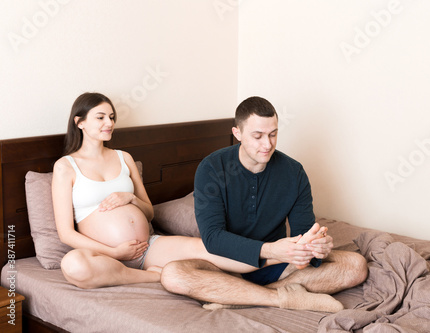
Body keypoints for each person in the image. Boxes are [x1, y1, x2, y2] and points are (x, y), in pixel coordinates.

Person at [160, 96, 368, 312]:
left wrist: (316, 247)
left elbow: (302, 234)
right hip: (226, 265)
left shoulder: (293, 172)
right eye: (258, 136)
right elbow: (213, 239)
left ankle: (238, 297)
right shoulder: (212, 168)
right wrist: (271, 250)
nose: (267, 144)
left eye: (273, 134)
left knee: (356, 266)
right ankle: (280, 297)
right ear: (237, 133)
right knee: (172, 274)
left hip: (277, 266)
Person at [52, 92, 267, 290]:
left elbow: (149, 213)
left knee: (207, 247)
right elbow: (66, 233)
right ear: (79, 122)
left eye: (111, 117)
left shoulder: (123, 158)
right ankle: (151, 276)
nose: (109, 123)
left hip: (147, 248)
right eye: (100, 117)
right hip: (104, 255)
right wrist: (115, 252)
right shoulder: (65, 167)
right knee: (73, 265)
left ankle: (278, 254)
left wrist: (131, 198)